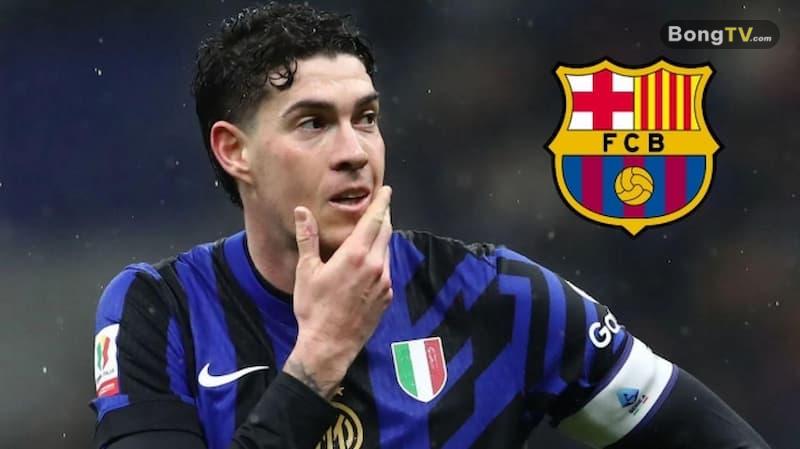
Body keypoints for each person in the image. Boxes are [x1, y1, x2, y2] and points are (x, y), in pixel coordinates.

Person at [89, 3, 770, 449]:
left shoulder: (494, 294)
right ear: (234, 151)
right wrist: (317, 362)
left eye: (366, 118)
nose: (355, 151)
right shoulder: (159, 311)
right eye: (313, 123)